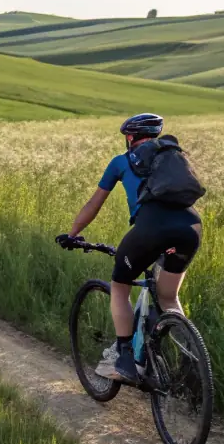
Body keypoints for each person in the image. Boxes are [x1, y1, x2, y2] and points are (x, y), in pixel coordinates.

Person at [59, 113, 202, 383]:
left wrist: (72, 234)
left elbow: (94, 204)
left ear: (130, 138)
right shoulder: (175, 159)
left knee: (120, 284)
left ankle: (126, 360)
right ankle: (193, 364)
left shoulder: (121, 162)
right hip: (190, 229)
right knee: (168, 297)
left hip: (151, 229)